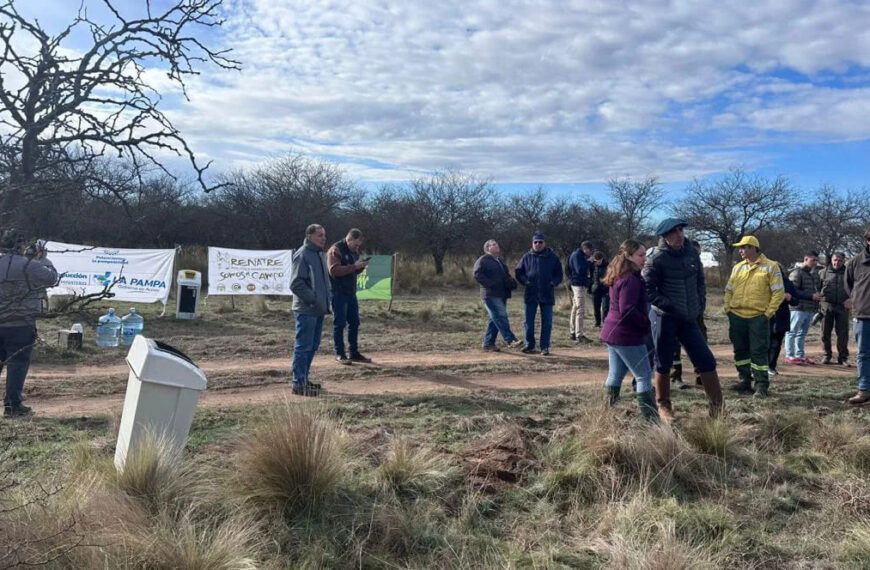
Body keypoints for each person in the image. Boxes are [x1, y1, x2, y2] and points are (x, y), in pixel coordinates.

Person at [643, 218, 722, 422]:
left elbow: (700, 282)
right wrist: (669, 305)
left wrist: (699, 305)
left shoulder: (691, 254)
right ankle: (664, 405)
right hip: (665, 317)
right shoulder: (656, 259)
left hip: (690, 317)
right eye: (674, 232)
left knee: (705, 359)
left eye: (681, 230)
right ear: (665, 236)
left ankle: (717, 408)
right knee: (663, 361)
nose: (679, 235)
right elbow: (648, 290)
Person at [0, 230, 57, 417]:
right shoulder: (30, 265)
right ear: (23, 245)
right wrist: (43, 260)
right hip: (21, 323)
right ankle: (12, 406)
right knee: (18, 363)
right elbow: (51, 278)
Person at [600, 240, 659, 421]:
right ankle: (651, 422)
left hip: (613, 332)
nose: (644, 259)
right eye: (640, 255)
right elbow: (628, 309)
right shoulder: (630, 279)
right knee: (643, 376)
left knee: (615, 375)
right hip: (626, 335)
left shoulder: (619, 275)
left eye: (644, 255)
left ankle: (605, 415)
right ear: (629, 256)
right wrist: (646, 324)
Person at [723, 236, 784, 397]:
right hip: (736, 316)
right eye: (740, 248)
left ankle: (761, 385)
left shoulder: (771, 267)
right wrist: (728, 308)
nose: (740, 250)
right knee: (740, 350)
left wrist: (768, 314)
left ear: (753, 248)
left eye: (743, 247)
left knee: (758, 351)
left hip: (758, 317)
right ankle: (744, 381)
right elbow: (729, 289)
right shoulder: (738, 267)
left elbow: (778, 292)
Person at [290, 224, 331, 397]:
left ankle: (304, 379)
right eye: (320, 235)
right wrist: (313, 300)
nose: (323, 238)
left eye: (324, 235)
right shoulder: (303, 254)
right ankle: (298, 383)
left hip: (319, 309)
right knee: (303, 346)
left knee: (312, 346)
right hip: (307, 309)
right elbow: (296, 284)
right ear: (309, 236)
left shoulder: (319, 254)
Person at [327, 228, 371, 365]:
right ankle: (340, 353)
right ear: (349, 239)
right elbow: (334, 271)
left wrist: (361, 267)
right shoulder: (336, 250)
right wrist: (354, 266)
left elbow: (351, 271)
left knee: (354, 323)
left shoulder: (353, 252)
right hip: (338, 292)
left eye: (359, 245)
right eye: (356, 244)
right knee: (339, 323)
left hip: (351, 292)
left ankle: (354, 352)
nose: (357, 247)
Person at [515, 231, 563, 356]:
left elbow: (559, 274)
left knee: (547, 322)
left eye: (540, 242)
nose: (538, 244)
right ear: (532, 243)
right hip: (531, 293)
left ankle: (545, 346)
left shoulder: (552, 257)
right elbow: (519, 272)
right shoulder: (526, 257)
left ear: (544, 243)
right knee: (528, 321)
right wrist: (525, 281)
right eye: (535, 242)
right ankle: (529, 345)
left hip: (547, 293)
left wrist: (553, 283)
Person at [670, 240, 707, 390]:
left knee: (700, 343)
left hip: (695, 312)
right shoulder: (674, 263)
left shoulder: (698, 266)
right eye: (694, 252)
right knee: (674, 345)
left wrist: (701, 306)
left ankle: (701, 376)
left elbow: (701, 287)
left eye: (698, 253)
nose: (696, 255)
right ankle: (676, 376)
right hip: (676, 312)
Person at [473, 239, 522, 351]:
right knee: (501, 316)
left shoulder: (499, 261)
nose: (497, 246)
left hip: (502, 294)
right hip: (490, 294)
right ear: (487, 248)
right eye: (494, 245)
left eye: (497, 244)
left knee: (494, 319)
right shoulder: (483, 260)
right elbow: (477, 274)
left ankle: (488, 343)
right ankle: (510, 340)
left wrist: (511, 282)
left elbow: (506, 276)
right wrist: (491, 284)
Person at [845, 228, 870, 405]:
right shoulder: (855, 262)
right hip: (863, 316)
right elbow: (848, 286)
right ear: (868, 241)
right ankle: (864, 389)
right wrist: (858, 300)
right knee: (863, 354)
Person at [785, 252, 822, 365]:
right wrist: (811, 296)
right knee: (792, 332)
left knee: (802, 333)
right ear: (805, 259)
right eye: (813, 260)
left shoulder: (813, 274)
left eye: (816, 260)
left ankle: (800, 355)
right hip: (798, 307)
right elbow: (793, 290)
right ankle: (789, 355)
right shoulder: (797, 273)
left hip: (809, 308)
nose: (815, 263)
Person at [819, 252, 850, 366]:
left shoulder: (849, 273)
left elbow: (855, 288)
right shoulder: (823, 272)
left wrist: (851, 299)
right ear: (831, 260)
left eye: (840, 260)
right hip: (826, 305)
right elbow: (817, 288)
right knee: (825, 332)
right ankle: (826, 355)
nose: (837, 262)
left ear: (844, 261)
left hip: (843, 306)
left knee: (842, 333)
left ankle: (843, 357)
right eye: (835, 260)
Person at [769, 262, 800, 376]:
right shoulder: (764, 281)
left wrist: (790, 297)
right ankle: (759, 367)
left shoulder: (787, 283)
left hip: (781, 315)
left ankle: (771, 366)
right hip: (766, 314)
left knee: (776, 343)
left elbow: (796, 300)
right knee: (764, 342)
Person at [566, 240, 593, 343]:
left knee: (575, 307)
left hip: (577, 283)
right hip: (578, 284)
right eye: (590, 250)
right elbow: (580, 269)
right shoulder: (578, 256)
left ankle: (573, 332)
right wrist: (589, 262)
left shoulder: (576, 255)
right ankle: (579, 335)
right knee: (580, 309)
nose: (591, 253)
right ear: (585, 249)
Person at [589, 250, 609, 328]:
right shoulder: (592, 266)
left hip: (605, 289)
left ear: (602, 259)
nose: (597, 262)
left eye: (599, 261)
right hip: (595, 289)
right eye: (596, 261)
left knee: (605, 307)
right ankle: (597, 322)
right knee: (596, 307)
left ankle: (605, 322)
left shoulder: (607, 266)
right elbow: (589, 275)